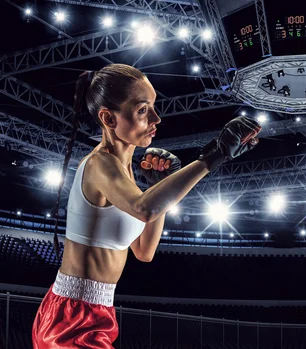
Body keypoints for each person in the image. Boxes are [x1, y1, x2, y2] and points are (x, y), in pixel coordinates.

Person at [31, 63, 262, 348]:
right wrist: (212, 157)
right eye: (142, 110)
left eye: (153, 107)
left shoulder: (125, 173)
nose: (156, 118)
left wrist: (155, 188)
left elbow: (144, 252)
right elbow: (144, 209)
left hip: (96, 312)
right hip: (71, 317)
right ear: (109, 118)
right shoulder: (99, 163)